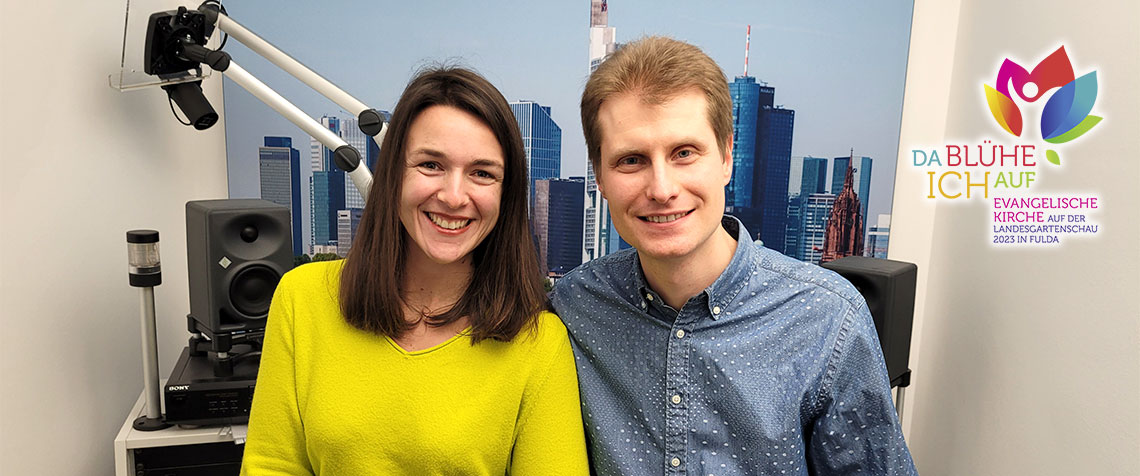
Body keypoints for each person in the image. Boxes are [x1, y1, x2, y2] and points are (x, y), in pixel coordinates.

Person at [552, 37, 918, 475]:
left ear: (727, 157)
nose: (662, 189)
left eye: (684, 153)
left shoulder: (826, 320)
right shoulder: (574, 305)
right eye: (631, 160)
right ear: (600, 177)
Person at [241, 67, 588, 475]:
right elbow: (272, 464)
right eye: (430, 165)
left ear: (505, 194)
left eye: (482, 173)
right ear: (394, 175)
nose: (454, 196)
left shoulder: (539, 344)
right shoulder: (302, 299)